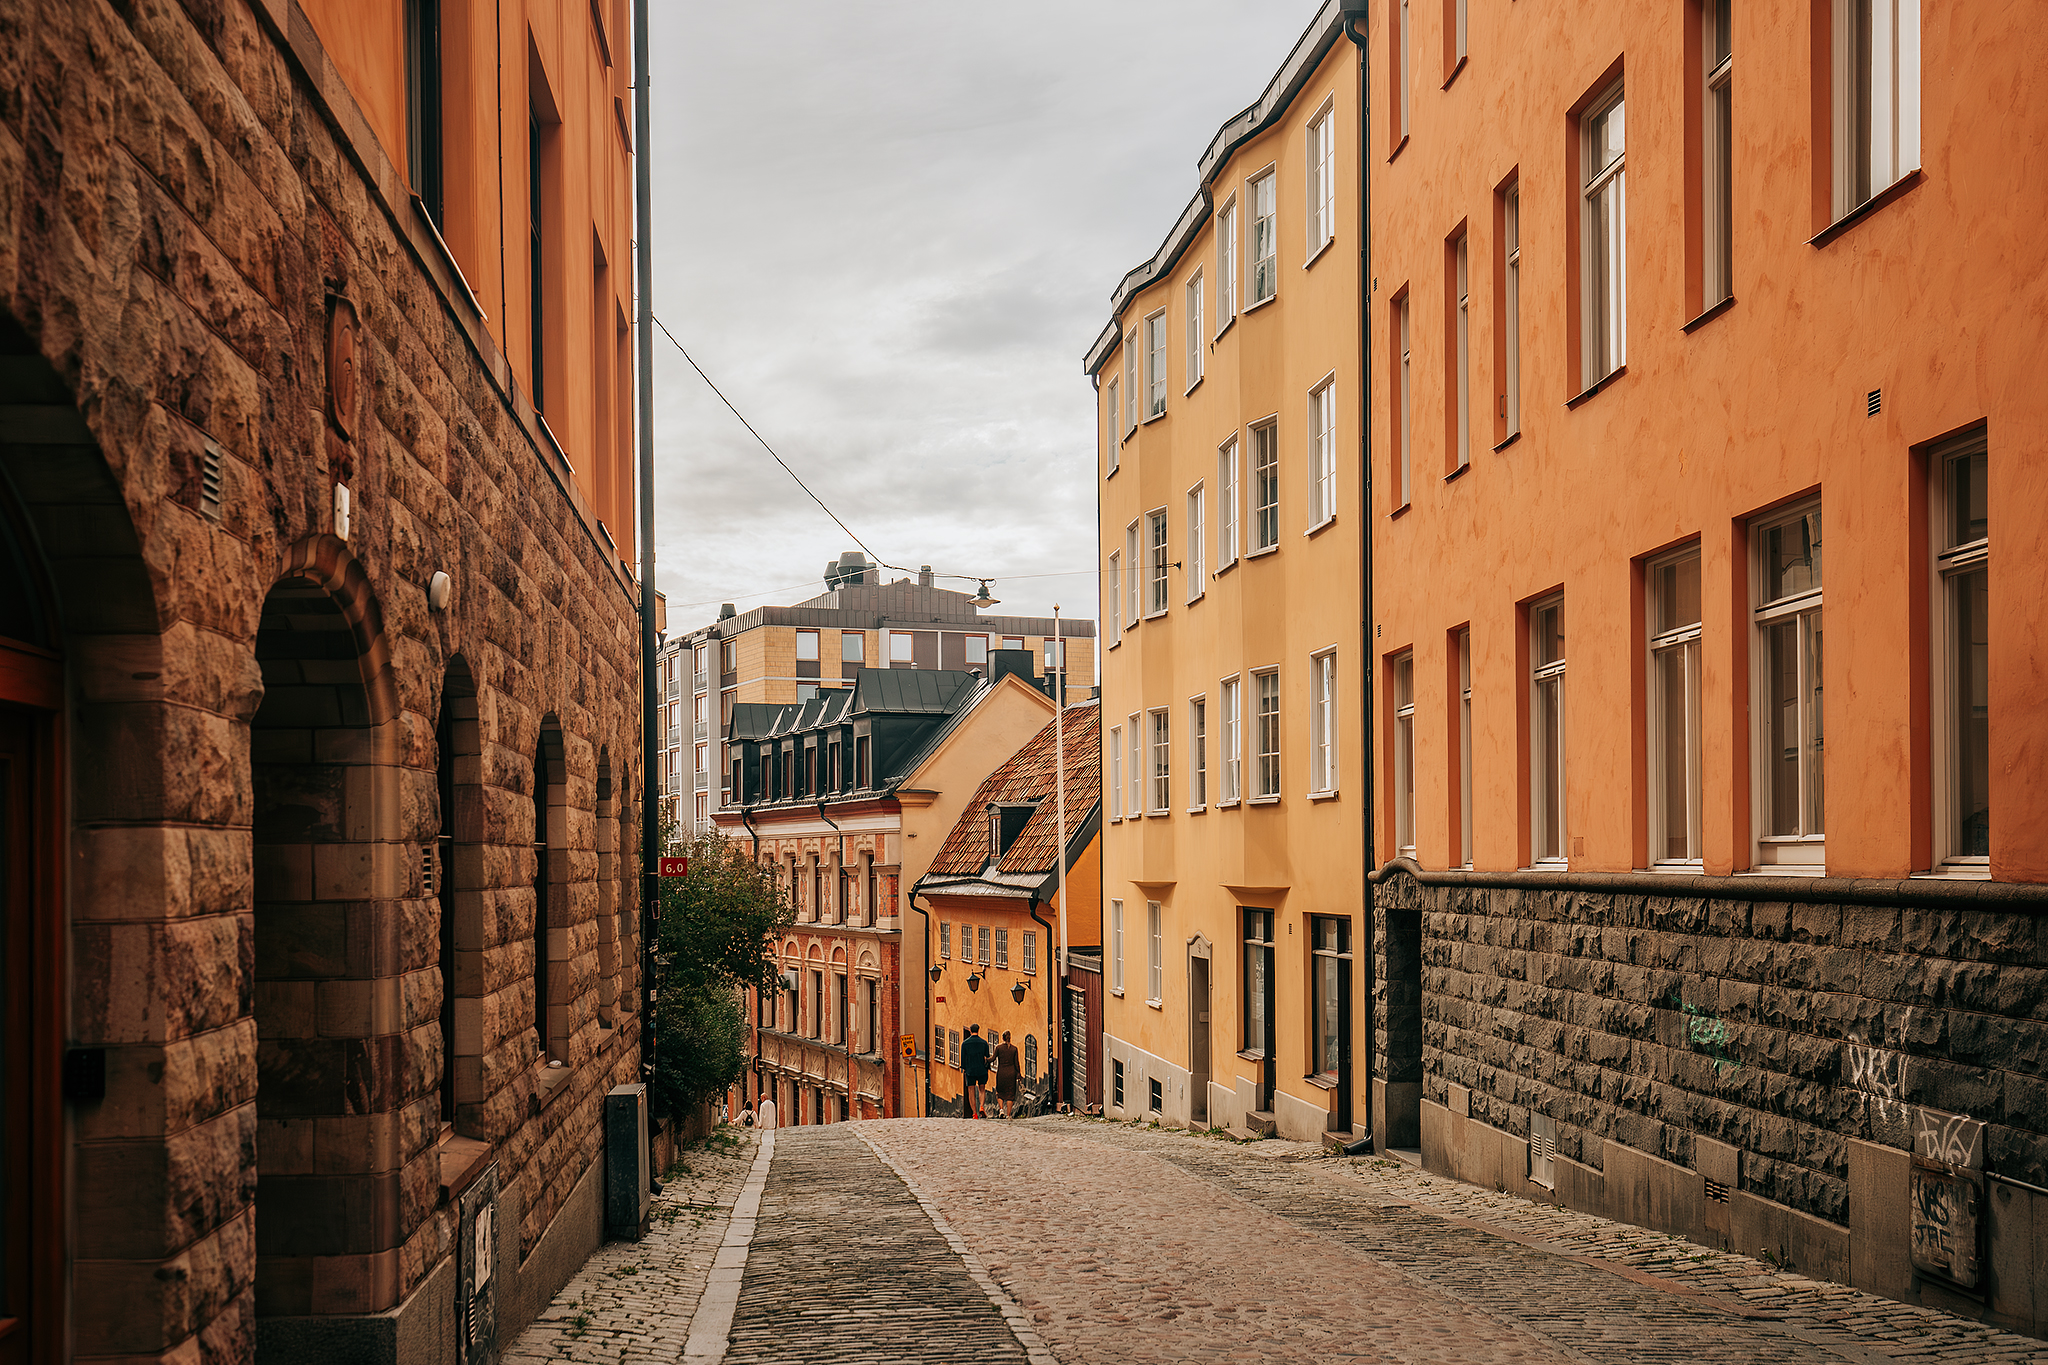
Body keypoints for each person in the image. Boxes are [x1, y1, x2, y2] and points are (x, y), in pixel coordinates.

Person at [959, 1024, 992, 1118]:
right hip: (981, 1069)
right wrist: (987, 1068)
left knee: (971, 1091)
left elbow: (963, 1058)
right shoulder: (984, 1043)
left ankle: (974, 1113)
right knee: (982, 1088)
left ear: (970, 1030)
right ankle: (981, 1106)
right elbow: (987, 1057)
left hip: (970, 1070)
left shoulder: (965, 1043)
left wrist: (964, 1068)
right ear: (978, 1030)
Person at [992, 1031, 1021, 1119]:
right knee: (1010, 1094)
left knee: (1000, 1092)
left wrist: (985, 1060)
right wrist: (1019, 1074)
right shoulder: (1014, 1049)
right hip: (1011, 1074)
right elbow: (1016, 1063)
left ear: (1003, 1038)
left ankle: (1001, 1109)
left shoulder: (998, 1048)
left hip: (1001, 1073)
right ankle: (1008, 1115)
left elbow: (992, 1059)